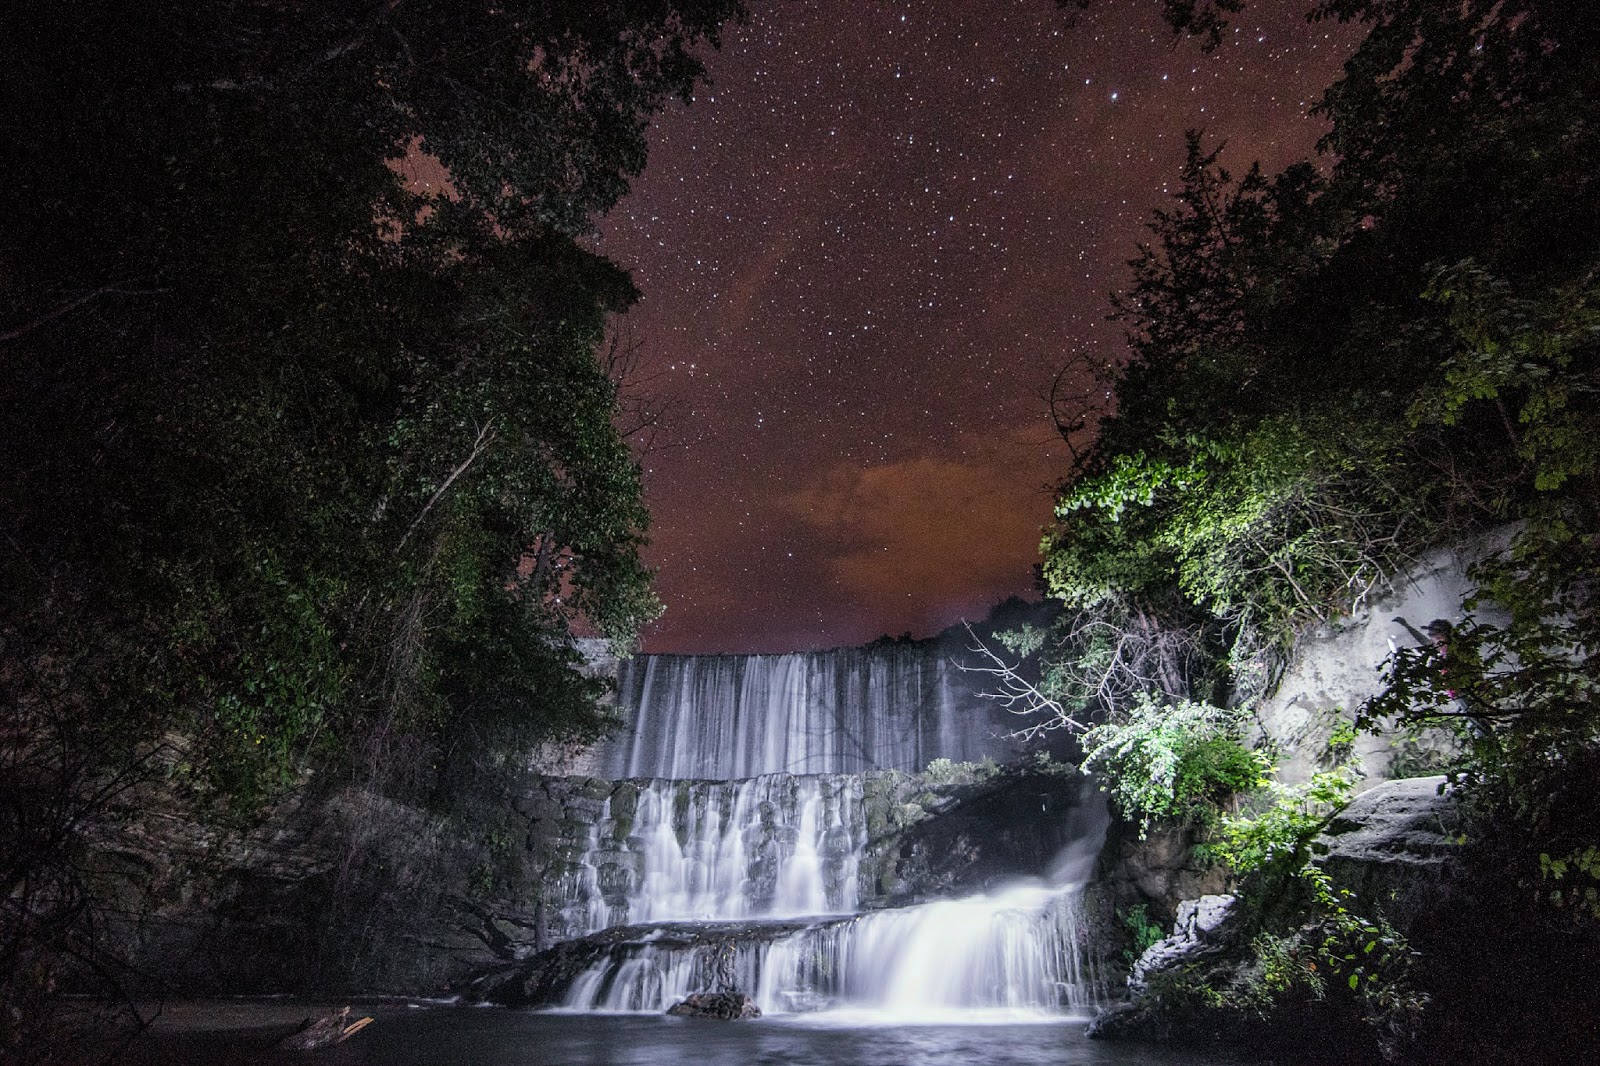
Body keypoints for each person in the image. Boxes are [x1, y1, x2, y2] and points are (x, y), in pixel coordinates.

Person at [1391, 616, 1492, 737]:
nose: (1432, 639)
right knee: (1475, 721)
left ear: (1441, 636)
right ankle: (1484, 743)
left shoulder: (1455, 649)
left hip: (1466, 690)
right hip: (1459, 692)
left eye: (1433, 636)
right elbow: (1424, 642)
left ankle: (1488, 744)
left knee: (1478, 721)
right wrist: (1407, 626)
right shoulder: (1445, 648)